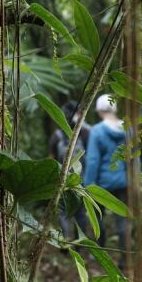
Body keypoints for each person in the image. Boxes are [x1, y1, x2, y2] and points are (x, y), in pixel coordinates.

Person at [83, 94, 127, 253]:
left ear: (100, 111)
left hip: (101, 184)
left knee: (97, 219)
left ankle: (100, 253)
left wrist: (88, 184)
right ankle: (125, 258)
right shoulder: (128, 129)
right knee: (123, 221)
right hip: (123, 182)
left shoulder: (97, 131)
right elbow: (134, 159)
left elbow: (93, 160)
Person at [48, 101, 91, 240]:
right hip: (80, 180)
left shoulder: (56, 135)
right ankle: (79, 242)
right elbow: (91, 157)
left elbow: (51, 159)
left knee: (62, 211)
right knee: (80, 212)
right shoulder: (85, 132)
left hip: (62, 180)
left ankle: (66, 238)